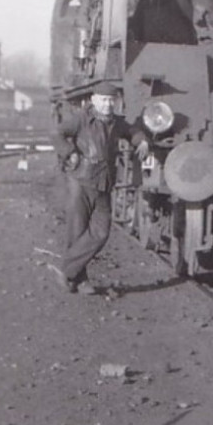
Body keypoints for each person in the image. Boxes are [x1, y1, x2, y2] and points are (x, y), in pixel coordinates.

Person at [51, 79, 148, 294]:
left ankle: (67, 270)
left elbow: (132, 131)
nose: (107, 105)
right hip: (81, 180)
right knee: (77, 232)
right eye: (103, 100)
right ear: (94, 100)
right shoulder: (81, 119)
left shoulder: (116, 123)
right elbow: (56, 133)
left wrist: (141, 140)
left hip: (104, 182)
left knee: (101, 232)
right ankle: (80, 280)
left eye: (111, 100)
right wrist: (70, 152)